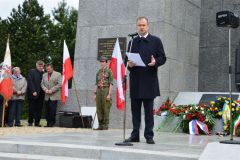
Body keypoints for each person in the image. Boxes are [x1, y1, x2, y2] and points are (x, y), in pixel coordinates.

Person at [125, 17, 166, 144]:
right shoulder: (132, 42)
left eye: (143, 25)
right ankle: (135, 135)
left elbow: (163, 58)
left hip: (149, 81)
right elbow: (126, 60)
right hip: (136, 81)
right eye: (139, 25)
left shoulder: (156, 41)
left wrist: (155, 62)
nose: (141, 27)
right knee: (135, 111)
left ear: (148, 26)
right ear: (137, 26)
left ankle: (149, 135)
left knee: (148, 112)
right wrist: (128, 65)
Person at [93, 56, 113, 130]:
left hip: (106, 89)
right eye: (101, 62)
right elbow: (96, 83)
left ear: (106, 63)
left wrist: (109, 94)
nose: (102, 63)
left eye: (103, 62)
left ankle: (105, 125)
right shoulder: (98, 72)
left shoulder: (109, 71)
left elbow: (111, 83)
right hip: (99, 90)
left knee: (105, 108)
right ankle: (100, 125)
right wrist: (95, 93)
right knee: (99, 108)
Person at [27, 60, 45, 127]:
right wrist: (33, 91)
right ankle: (30, 122)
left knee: (39, 109)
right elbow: (30, 81)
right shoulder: (32, 71)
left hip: (41, 94)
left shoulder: (44, 73)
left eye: (42, 66)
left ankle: (37, 123)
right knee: (31, 108)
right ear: (36, 65)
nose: (40, 67)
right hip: (33, 94)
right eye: (39, 66)